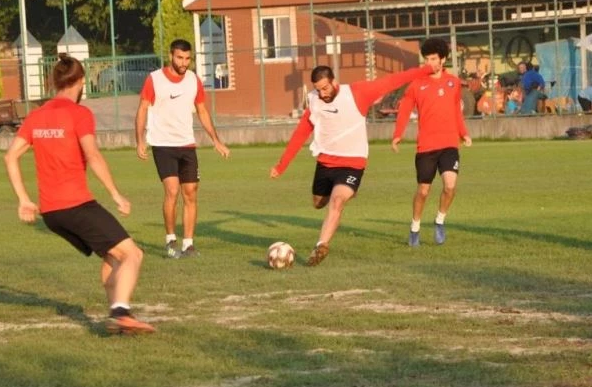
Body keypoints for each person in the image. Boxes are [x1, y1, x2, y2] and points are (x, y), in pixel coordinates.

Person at [4, 54, 154, 335]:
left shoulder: (36, 116)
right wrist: (116, 194)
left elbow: (10, 156)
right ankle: (120, 312)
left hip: (52, 214)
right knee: (132, 254)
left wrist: (23, 199)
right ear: (81, 81)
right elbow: (93, 155)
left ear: (54, 82)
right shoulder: (79, 114)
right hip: (76, 205)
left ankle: (117, 317)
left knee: (113, 256)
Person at [270, 62, 434, 266]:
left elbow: (393, 80)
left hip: (352, 162)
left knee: (337, 201)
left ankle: (321, 245)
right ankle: (345, 191)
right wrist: (281, 165)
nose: (322, 93)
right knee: (318, 203)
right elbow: (301, 133)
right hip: (325, 162)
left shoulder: (358, 93)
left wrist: (427, 69)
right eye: (318, 89)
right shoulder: (314, 101)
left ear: (334, 82)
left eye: (325, 88)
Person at [135, 39, 230, 259]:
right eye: (180, 57)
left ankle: (188, 244)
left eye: (188, 58)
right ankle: (171, 240)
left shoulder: (193, 80)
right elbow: (142, 109)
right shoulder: (154, 79)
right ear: (171, 56)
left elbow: (202, 111)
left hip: (187, 144)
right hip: (163, 144)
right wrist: (139, 140)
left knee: (191, 192)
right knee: (172, 190)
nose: (184, 62)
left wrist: (216, 140)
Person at [392, 38, 472, 247]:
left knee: (450, 186)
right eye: (427, 59)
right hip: (426, 146)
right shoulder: (417, 84)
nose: (430, 63)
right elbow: (405, 109)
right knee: (423, 191)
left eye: (434, 59)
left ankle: (440, 221)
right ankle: (415, 227)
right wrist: (398, 134)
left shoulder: (453, 82)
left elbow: (456, 111)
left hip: (449, 144)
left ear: (443, 59)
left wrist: (464, 133)